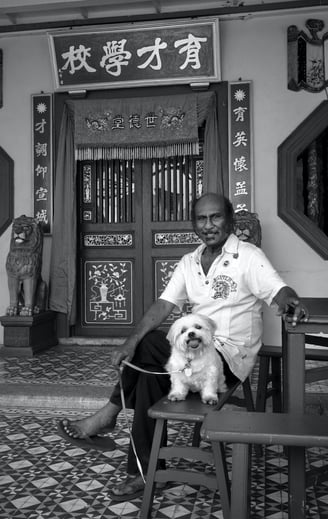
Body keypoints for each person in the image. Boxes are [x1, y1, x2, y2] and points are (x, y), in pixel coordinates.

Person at [57, 193, 309, 501]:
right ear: (194, 224)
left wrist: (291, 302)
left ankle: (109, 413)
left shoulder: (249, 256)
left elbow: (277, 289)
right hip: (192, 356)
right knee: (149, 371)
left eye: (215, 217)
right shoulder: (189, 261)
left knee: (150, 343)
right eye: (201, 219)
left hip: (226, 359)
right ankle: (143, 473)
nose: (208, 225)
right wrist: (129, 341)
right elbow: (164, 305)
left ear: (228, 219)